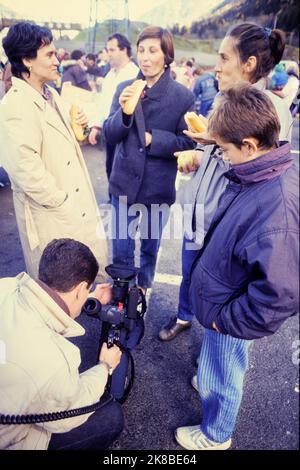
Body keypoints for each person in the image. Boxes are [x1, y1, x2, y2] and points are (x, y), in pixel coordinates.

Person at [175, 83, 299, 451]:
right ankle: (210, 382)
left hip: (231, 309)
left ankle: (216, 434)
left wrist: (226, 320)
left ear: (249, 144)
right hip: (228, 296)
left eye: (226, 150)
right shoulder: (264, 168)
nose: (224, 158)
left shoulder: (276, 204)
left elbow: (279, 294)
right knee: (219, 361)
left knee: (226, 370)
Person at [159, 23, 293, 341]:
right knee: (191, 276)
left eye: (223, 57)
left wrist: (215, 140)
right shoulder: (224, 99)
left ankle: (213, 362)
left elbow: (263, 174)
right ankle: (184, 316)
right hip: (199, 215)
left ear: (248, 64)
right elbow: (223, 153)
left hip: (224, 229)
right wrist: (200, 154)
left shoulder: (271, 111)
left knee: (220, 298)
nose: (216, 66)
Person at [0, 22, 108, 281]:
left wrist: (76, 125)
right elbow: (26, 171)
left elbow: (60, 146)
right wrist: (63, 201)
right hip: (53, 217)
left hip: (71, 213)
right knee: (55, 299)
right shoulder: (15, 106)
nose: (57, 59)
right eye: (49, 54)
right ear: (26, 60)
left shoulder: (50, 95)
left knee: (76, 288)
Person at [0, 238, 123, 450]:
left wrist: (86, 297)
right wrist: (105, 367)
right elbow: (67, 417)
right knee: (112, 417)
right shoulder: (56, 359)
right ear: (80, 289)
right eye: (87, 289)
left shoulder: (7, 285)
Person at [103, 26, 195, 291]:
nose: (145, 57)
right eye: (141, 50)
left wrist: (156, 140)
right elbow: (110, 134)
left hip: (157, 188)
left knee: (149, 247)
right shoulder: (125, 88)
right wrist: (124, 114)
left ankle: (143, 288)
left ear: (167, 55)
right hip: (123, 185)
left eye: (153, 50)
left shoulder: (182, 97)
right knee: (121, 247)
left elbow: (188, 141)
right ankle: (122, 293)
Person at [88, 34, 139, 186]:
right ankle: (112, 201)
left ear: (124, 50)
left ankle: (119, 203)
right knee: (110, 166)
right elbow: (102, 103)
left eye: (111, 50)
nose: (108, 53)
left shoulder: (134, 75)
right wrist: (96, 126)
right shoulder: (110, 75)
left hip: (126, 132)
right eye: (107, 50)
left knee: (122, 170)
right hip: (109, 129)